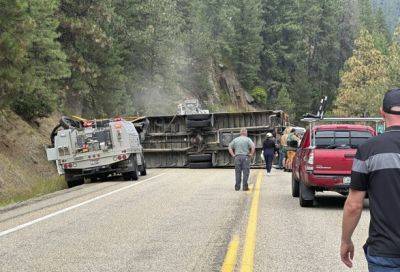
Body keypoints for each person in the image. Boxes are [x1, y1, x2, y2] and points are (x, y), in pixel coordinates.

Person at [341, 88, 400, 271]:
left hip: (384, 252)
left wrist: (346, 240)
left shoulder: (368, 150)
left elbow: (354, 205)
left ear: (382, 112)